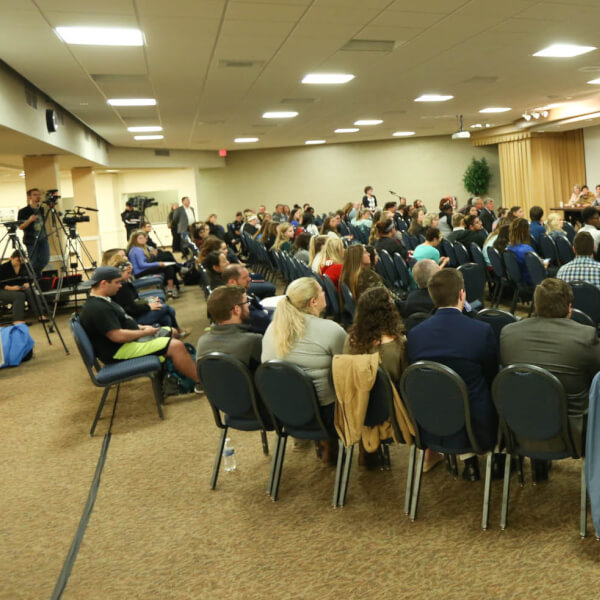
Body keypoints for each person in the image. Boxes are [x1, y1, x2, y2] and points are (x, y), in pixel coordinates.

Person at [407, 268, 499, 481]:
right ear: (462, 294)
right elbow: (492, 376)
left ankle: (469, 462)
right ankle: (498, 459)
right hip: (477, 427)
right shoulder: (481, 331)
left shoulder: (415, 335)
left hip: (431, 423)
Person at [500, 278, 600, 469]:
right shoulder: (585, 336)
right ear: (569, 308)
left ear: (536, 305)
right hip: (573, 434)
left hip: (518, 426)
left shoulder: (508, 333)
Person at [261, 277, 347, 444]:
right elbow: (347, 371)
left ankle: (325, 445)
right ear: (313, 301)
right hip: (325, 417)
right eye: (322, 291)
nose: (325, 293)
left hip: (281, 412)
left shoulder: (272, 328)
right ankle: (368, 450)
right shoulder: (332, 330)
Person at [78, 266, 198, 384]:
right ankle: (200, 383)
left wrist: (141, 327)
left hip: (126, 342)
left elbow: (122, 321)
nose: (120, 285)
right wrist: (144, 332)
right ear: (104, 283)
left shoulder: (103, 300)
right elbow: (117, 336)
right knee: (176, 346)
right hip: (118, 350)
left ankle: (173, 373)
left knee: (172, 331)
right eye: (117, 282)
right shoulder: (98, 308)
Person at [344, 286, 409, 468]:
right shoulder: (399, 344)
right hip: (393, 412)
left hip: (358, 408)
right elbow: (405, 381)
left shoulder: (350, 341)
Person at [110, 257, 189, 337]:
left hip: (136, 314)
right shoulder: (121, 288)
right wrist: (148, 307)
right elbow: (130, 309)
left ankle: (173, 336)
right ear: (120, 272)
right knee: (166, 308)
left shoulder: (125, 284)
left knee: (166, 318)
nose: (130, 275)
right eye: (128, 273)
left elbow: (135, 300)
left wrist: (148, 301)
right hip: (133, 320)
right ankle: (177, 331)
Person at [196, 285, 263, 372]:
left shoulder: (202, 342)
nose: (248, 306)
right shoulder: (253, 340)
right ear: (236, 309)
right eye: (246, 302)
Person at [221, 264, 272, 334]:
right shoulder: (239, 304)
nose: (249, 279)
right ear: (232, 282)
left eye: (248, 276)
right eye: (245, 277)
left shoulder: (240, 295)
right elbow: (265, 322)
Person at [128, 231, 178, 297]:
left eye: (144, 238)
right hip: (140, 272)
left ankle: (169, 288)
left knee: (167, 266)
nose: (143, 240)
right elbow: (142, 265)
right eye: (140, 238)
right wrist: (157, 264)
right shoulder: (137, 250)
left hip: (141, 271)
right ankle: (170, 289)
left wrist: (158, 263)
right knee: (168, 268)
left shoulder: (137, 248)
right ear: (135, 240)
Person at [0, 251, 44, 324]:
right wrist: (11, 288)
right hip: (3, 290)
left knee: (30, 290)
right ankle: (17, 320)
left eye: (22, 261)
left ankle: (40, 315)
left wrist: (28, 283)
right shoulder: (3, 268)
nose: (20, 263)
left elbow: (32, 277)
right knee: (19, 296)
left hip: (19, 288)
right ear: (11, 258)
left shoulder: (25, 266)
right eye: (18, 260)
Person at [18, 188, 49, 277]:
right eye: (35, 195)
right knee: (33, 261)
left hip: (43, 238)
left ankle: (35, 275)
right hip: (31, 240)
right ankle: (32, 278)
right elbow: (20, 226)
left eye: (39, 194)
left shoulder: (41, 209)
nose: (38, 196)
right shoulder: (23, 211)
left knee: (45, 259)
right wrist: (29, 220)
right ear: (29, 197)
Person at [505, 218, 536, 285]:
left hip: (518, 280)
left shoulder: (508, 247)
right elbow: (536, 270)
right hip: (531, 280)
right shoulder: (527, 250)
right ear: (526, 231)